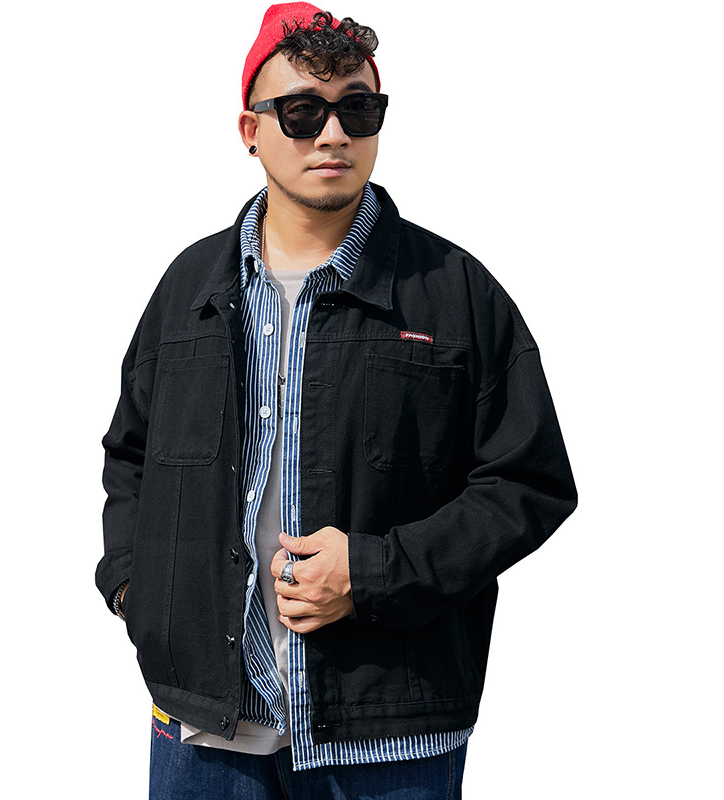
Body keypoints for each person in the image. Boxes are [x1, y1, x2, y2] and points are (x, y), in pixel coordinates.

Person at [96, 4, 577, 798]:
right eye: (301, 111)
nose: (332, 134)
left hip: (390, 734)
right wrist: (135, 590)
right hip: (202, 731)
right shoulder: (188, 290)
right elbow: (133, 457)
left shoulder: (455, 293)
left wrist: (376, 571)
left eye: (357, 109)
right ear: (250, 130)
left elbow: (528, 483)